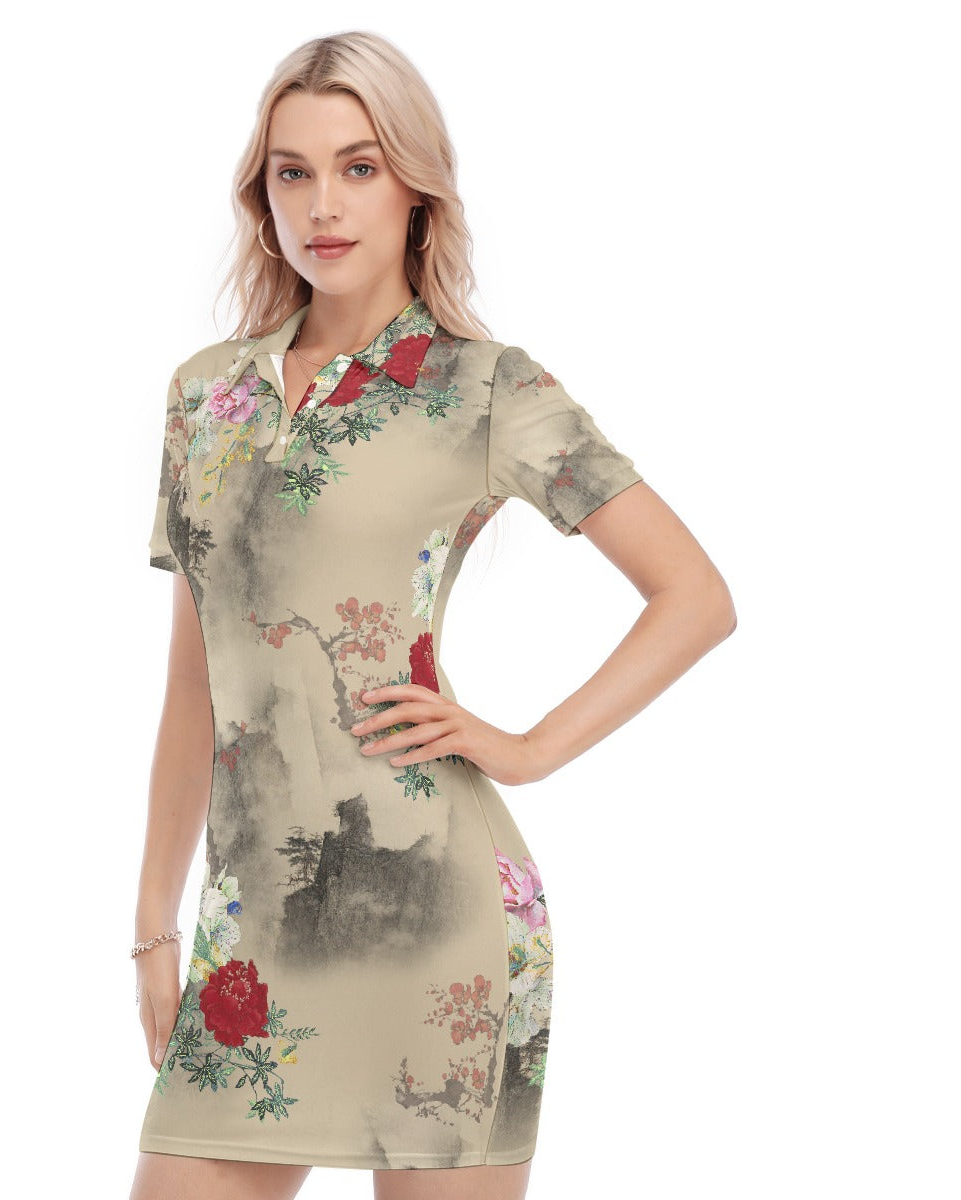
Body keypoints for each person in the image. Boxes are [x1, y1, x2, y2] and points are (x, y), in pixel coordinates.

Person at [129, 29, 736, 1200]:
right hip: (250, 941)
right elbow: (195, 687)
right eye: (294, 172)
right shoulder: (205, 395)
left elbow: (695, 597)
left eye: (358, 167)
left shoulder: (485, 387)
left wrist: (528, 748)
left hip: (439, 929)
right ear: (263, 195)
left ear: (415, 187)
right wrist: (154, 927)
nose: (323, 204)